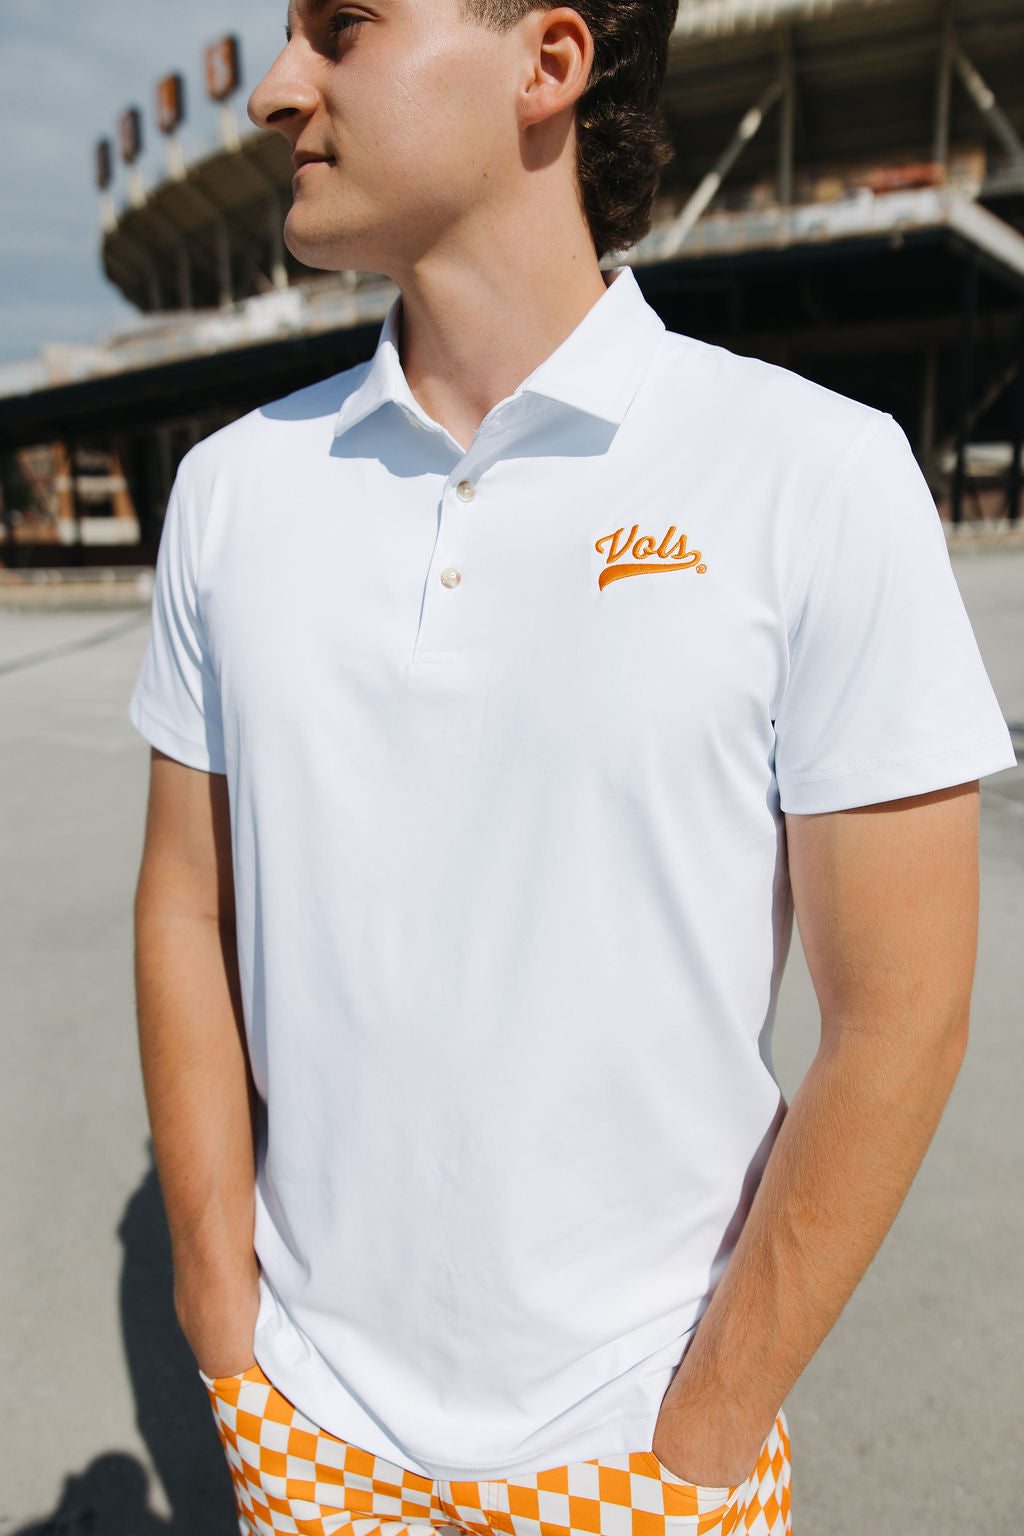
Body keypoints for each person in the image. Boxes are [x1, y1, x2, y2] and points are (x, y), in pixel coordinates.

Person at [128, 3, 1016, 1533]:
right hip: (304, 1432)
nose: (279, 91)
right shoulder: (231, 492)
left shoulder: (812, 472)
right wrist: (225, 1334)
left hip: (643, 1448)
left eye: (343, 28)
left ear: (547, 63)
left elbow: (904, 1009)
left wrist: (707, 1428)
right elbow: (182, 913)